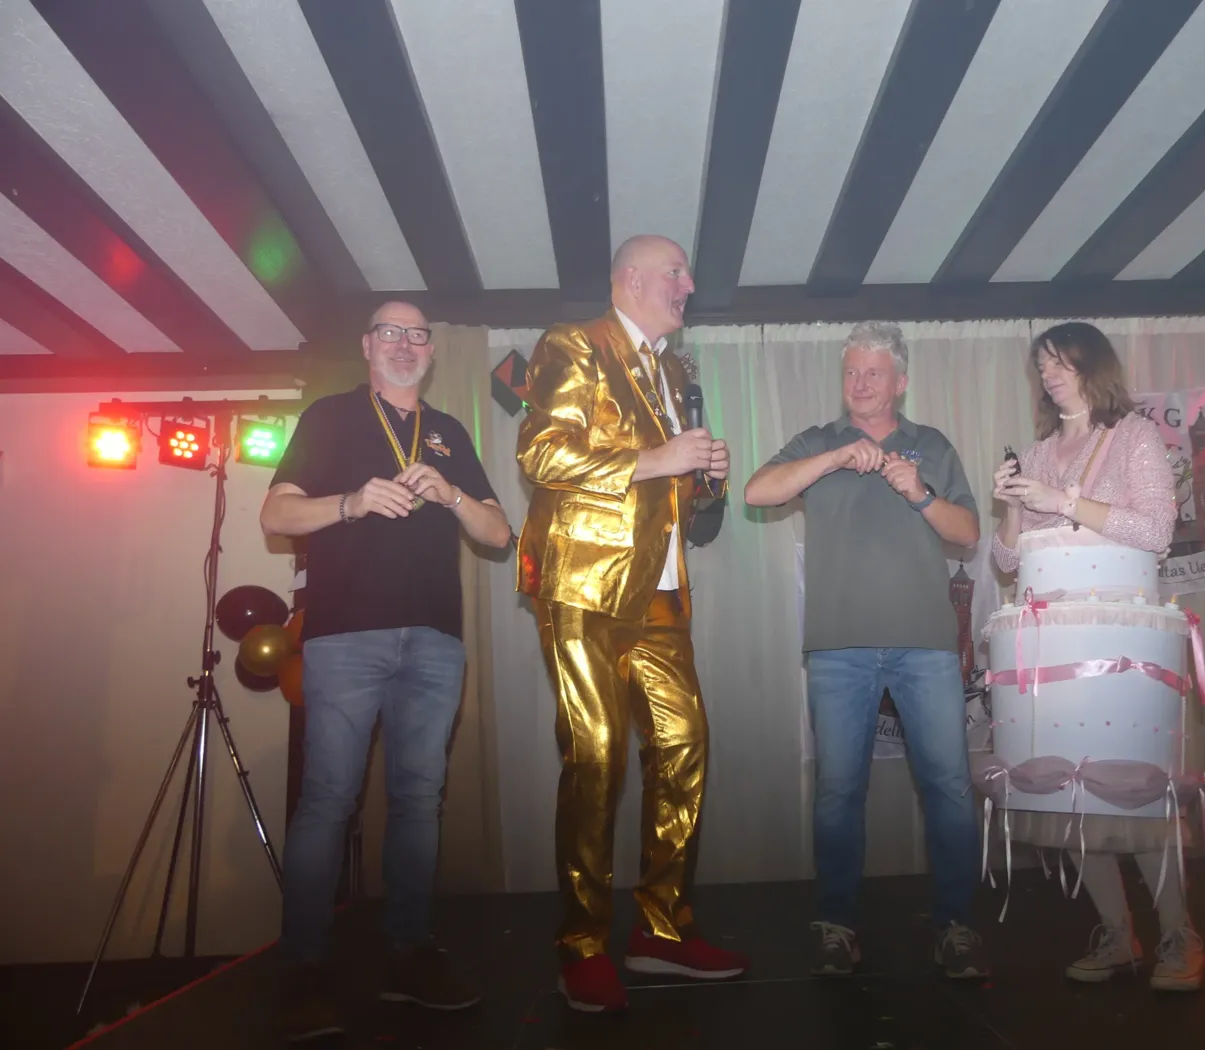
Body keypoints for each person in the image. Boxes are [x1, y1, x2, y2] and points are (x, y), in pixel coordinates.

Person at [261, 301, 512, 1041]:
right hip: (344, 637)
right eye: (391, 333)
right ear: (368, 346)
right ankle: (304, 969)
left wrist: (452, 494)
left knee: (419, 801)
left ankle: (409, 954)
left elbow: (499, 534)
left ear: (430, 352)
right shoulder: (329, 417)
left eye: (418, 334)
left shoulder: (450, 431)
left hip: (434, 640)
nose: (405, 344)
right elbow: (275, 515)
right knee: (327, 801)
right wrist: (351, 502)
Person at [516, 234, 748, 1013]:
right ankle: (581, 944)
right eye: (677, 271)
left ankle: (662, 930)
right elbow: (542, 455)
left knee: (685, 746)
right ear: (631, 279)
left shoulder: (674, 370)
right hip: (585, 585)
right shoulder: (574, 345)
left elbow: (680, 493)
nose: (690, 284)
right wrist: (659, 460)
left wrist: (707, 478)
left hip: (663, 591)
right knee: (598, 755)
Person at [744, 321, 989, 980]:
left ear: (900, 381)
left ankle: (956, 926)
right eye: (851, 371)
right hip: (838, 647)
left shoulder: (931, 445)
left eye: (873, 372)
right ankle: (837, 925)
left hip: (926, 644)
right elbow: (756, 492)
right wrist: (831, 459)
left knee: (948, 787)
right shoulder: (817, 441)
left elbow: (968, 533)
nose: (859, 383)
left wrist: (920, 493)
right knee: (838, 791)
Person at [990, 321, 1205, 992]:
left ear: (1094, 366)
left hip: (1121, 643)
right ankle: (1119, 934)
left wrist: (1062, 501)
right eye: (1042, 366)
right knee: (1071, 794)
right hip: (1054, 646)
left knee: (1132, 792)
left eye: (1061, 363)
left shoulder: (1135, 435)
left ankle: (1179, 937)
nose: (1049, 376)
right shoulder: (1039, 449)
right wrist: (1012, 507)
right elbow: (1006, 560)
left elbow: (1156, 530)